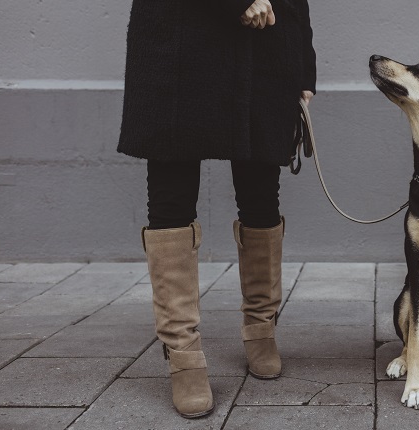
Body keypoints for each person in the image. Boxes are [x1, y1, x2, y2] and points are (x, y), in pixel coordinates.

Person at [117, 0, 316, 418]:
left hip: (265, 44)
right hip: (181, 39)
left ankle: (262, 327)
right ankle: (182, 353)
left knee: (261, 193)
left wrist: (302, 66)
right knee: (171, 199)